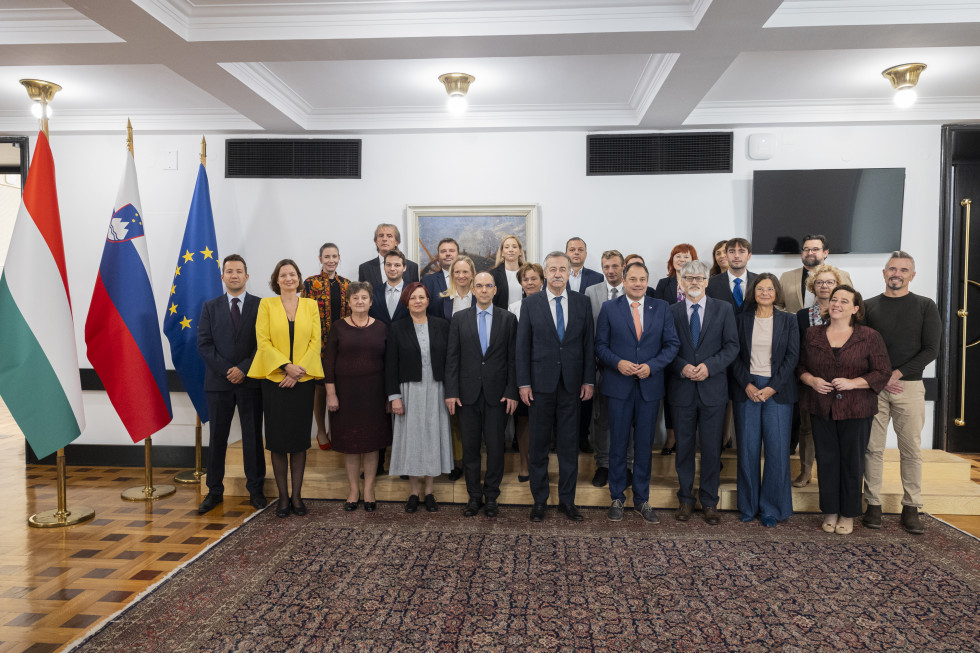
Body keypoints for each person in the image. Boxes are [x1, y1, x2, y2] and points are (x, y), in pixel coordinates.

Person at [798, 285, 891, 535]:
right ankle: (829, 510)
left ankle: (848, 513)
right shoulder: (812, 334)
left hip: (857, 408)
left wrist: (853, 383)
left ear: (855, 308)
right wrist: (812, 380)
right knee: (827, 461)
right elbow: (800, 367)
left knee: (852, 462)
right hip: (821, 407)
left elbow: (882, 372)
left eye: (844, 301)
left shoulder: (870, 336)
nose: (837, 304)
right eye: (834, 299)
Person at [862, 251, 941, 534]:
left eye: (903, 270)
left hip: (908, 386)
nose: (897, 273)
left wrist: (896, 373)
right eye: (892, 269)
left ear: (912, 275)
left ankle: (911, 506)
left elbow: (931, 349)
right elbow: (861, 348)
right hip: (874, 387)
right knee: (873, 448)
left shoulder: (925, 306)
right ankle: (872, 504)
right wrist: (880, 377)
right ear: (884, 273)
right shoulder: (869, 306)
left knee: (910, 450)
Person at [595, 260, 679, 523]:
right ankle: (617, 497)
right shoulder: (609, 308)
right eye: (633, 279)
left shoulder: (662, 308)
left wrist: (652, 367)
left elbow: (672, 344)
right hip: (618, 386)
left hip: (649, 387)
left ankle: (642, 500)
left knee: (644, 446)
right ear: (624, 279)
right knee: (618, 444)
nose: (638, 284)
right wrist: (617, 362)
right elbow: (599, 345)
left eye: (642, 279)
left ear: (647, 281)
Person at [517, 251, 595, 522]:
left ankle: (567, 501)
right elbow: (522, 346)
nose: (558, 273)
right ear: (545, 273)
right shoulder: (531, 304)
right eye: (553, 269)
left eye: (563, 268)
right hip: (539, 385)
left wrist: (588, 379)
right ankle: (539, 501)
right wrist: (524, 383)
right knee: (538, 446)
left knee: (568, 446)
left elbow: (588, 344)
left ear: (570, 271)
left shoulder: (582, 303)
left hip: (572, 385)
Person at [247, 259, 324, 518]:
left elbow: (316, 341)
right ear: (276, 280)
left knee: (300, 442)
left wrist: (297, 369)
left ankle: (297, 497)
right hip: (275, 381)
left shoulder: (311, 305)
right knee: (278, 442)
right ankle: (282, 498)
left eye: (292, 274)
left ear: (299, 278)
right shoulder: (266, 305)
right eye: (283, 275)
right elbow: (263, 340)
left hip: (303, 381)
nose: (288, 278)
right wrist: (285, 367)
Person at [667, 260, 739, 525]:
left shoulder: (724, 309)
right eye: (689, 278)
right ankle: (685, 500)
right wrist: (682, 367)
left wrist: (709, 367)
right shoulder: (670, 312)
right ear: (681, 283)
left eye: (699, 278)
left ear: (708, 282)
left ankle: (709, 501)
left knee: (711, 450)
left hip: (713, 390)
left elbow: (732, 346)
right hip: (681, 389)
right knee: (683, 449)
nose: (694, 282)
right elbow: (665, 347)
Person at [445, 272, 519, 517]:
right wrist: (452, 392)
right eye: (480, 286)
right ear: (473, 290)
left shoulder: (508, 319)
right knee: (470, 448)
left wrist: (511, 391)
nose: (484, 290)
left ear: (495, 290)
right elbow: (452, 358)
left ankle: (491, 497)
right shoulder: (459, 319)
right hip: (467, 395)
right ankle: (474, 496)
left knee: (497, 448)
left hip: (498, 395)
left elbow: (512, 359)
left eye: (489, 286)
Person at [196, 254, 266, 513]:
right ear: (222, 276)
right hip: (219, 382)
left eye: (239, 271)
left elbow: (264, 344)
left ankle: (256, 490)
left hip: (250, 382)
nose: (234, 275)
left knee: (252, 437)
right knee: (218, 438)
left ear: (247, 276)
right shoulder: (210, 307)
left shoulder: (261, 306)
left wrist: (244, 370)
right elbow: (204, 344)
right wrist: (228, 370)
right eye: (229, 271)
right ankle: (214, 491)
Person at [730, 273, 799, 527]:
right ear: (753, 292)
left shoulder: (789, 321)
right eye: (760, 289)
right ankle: (748, 506)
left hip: (777, 391)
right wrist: (746, 384)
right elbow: (733, 356)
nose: (765, 293)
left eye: (770, 289)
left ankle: (771, 508)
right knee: (747, 451)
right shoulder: (740, 320)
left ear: (776, 292)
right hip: (746, 388)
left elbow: (793, 357)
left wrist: (772, 388)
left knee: (776, 451)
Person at [324, 281, 392, 512]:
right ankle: (354, 490)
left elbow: (390, 364)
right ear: (349, 302)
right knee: (351, 445)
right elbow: (329, 362)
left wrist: (389, 396)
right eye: (356, 298)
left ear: (371, 302)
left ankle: (370, 490)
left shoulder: (382, 327)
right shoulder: (338, 327)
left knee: (372, 445)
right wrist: (331, 394)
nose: (360, 301)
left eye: (364, 298)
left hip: (374, 395)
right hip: (346, 395)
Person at [385, 283, 452, 513]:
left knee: (433, 437)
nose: (417, 301)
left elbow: (451, 362)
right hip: (408, 390)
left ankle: (430, 491)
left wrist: (451, 392)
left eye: (421, 297)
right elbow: (390, 365)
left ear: (428, 300)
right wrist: (394, 396)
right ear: (406, 300)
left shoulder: (442, 326)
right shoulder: (396, 328)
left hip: (436, 388)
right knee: (412, 439)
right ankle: (414, 492)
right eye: (413, 297)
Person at [792, 264, 846, 488]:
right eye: (820, 282)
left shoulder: (847, 313)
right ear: (812, 286)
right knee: (807, 429)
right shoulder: (802, 316)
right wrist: (809, 378)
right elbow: (797, 351)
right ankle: (806, 472)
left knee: (837, 429)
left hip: (841, 383)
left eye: (830, 282)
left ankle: (832, 474)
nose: (824, 286)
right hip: (810, 382)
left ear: (837, 286)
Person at [584, 249, 627, 488]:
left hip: (627, 367)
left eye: (614, 266)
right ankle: (603, 465)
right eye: (606, 267)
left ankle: (627, 466)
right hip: (600, 366)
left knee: (627, 419)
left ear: (623, 267)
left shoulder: (633, 291)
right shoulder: (591, 292)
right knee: (601, 419)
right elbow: (588, 331)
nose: (610, 271)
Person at [302, 243, 351, 450]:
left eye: (334, 256)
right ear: (320, 258)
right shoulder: (310, 283)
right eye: (327, 256)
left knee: (338, 386)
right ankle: (321, 430)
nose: (331, 260)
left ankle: (335, 429)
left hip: (341, 344)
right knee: (320, 388)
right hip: (317, 343)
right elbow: (303, 314)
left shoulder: (347, 284)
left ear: (339, 258)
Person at [654, 243, 698, 455]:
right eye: (677, 256)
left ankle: (688, 438)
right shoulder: (664, 284)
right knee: (671, 393)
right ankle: (671, 437)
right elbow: (659, 314)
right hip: (669, 344)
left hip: (696, 343)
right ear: (672, 261)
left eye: (686, 256)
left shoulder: (699, 282)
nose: (681, 260)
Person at [508, 262, 544, 482]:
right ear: (521, 283)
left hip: (545, 371)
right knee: (523, 420)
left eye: (534, 278)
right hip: (523, 372)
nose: (530, 282)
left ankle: (541, 465)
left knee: (544, 420)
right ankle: (524, 464)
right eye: (526, 279)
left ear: (542, 280)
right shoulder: (514, 307)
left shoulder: (551, 304)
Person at [779, 234, 853, 314]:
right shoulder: (786, 277)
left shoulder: (841, 276)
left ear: (825, 253)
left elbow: (850, 304)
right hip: (794, 325)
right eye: (806, 249)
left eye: (815, 249)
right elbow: (776, 305)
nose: (810, 253)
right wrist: (789, 320)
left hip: (829, 325)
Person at [357, 222, 419, 288]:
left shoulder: (412, 267)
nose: (384, 239)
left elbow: (415, 294)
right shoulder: (365, 268)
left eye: (389, 236)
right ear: (376, 241)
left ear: (397, 242)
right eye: (381, 236)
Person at [706, 237, 757, 315]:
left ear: (749, 256)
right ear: (726, 255)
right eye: (732, 251)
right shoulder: (711, 283)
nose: (736, 256)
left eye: (741, 251)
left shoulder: (759, 281)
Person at [369, 249, 410, 326]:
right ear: (384, 267)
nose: (392, 268)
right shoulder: (373, 292)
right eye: (388, 264)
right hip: (380, 337)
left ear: (404, 267)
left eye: (397, 265)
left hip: (405, 337)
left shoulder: (412, 292)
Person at [432, 255, 477, 322]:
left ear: (472, 275)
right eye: (457, 272)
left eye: (465, 272)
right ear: (452, 275)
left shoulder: (479, 298)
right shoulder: (442, 298)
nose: (461, 276)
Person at [489, 234, 527, 309]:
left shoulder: (527, 273)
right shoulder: (493, 275)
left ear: (520, 251)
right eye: (507, 247)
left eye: (514, 247)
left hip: (524, 318)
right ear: (502, 252)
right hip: (502, 319)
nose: (511, 250)